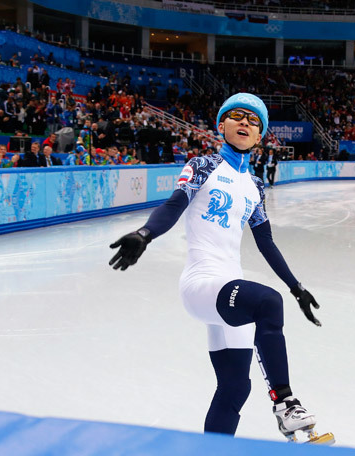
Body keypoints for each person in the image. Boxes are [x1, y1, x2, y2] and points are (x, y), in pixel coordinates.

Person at [108, 93, 324, 440]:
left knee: (235, 387)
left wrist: (296, 287)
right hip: (201, 286)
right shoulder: (202, 165)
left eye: (254, 121)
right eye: (237, 116)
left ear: (260, 136)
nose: (245, 123)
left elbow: (266, 242)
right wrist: (145, 233)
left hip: (229, 293)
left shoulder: (254, 186)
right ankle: (286, 405)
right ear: (221, 125)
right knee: (268, 303)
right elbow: (174, 205)